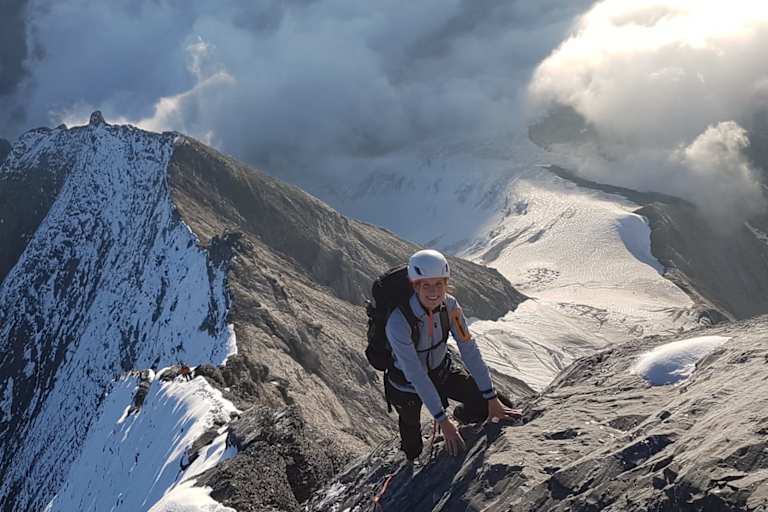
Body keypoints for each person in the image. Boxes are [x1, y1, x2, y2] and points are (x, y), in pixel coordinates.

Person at [385, 249, 520, 461]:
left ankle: (461, 415)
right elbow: (415, 374)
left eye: (439, 284)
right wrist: (442, 420)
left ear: (446, 284)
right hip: (405, 384)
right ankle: (410, 457)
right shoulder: (398, 322)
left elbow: (469, 350)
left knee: (501, 405)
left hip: (442, 371)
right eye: (426, 285)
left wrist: (491, 398)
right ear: (415, 286)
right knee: (413, 446)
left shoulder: (450, 306)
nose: (434, 292)